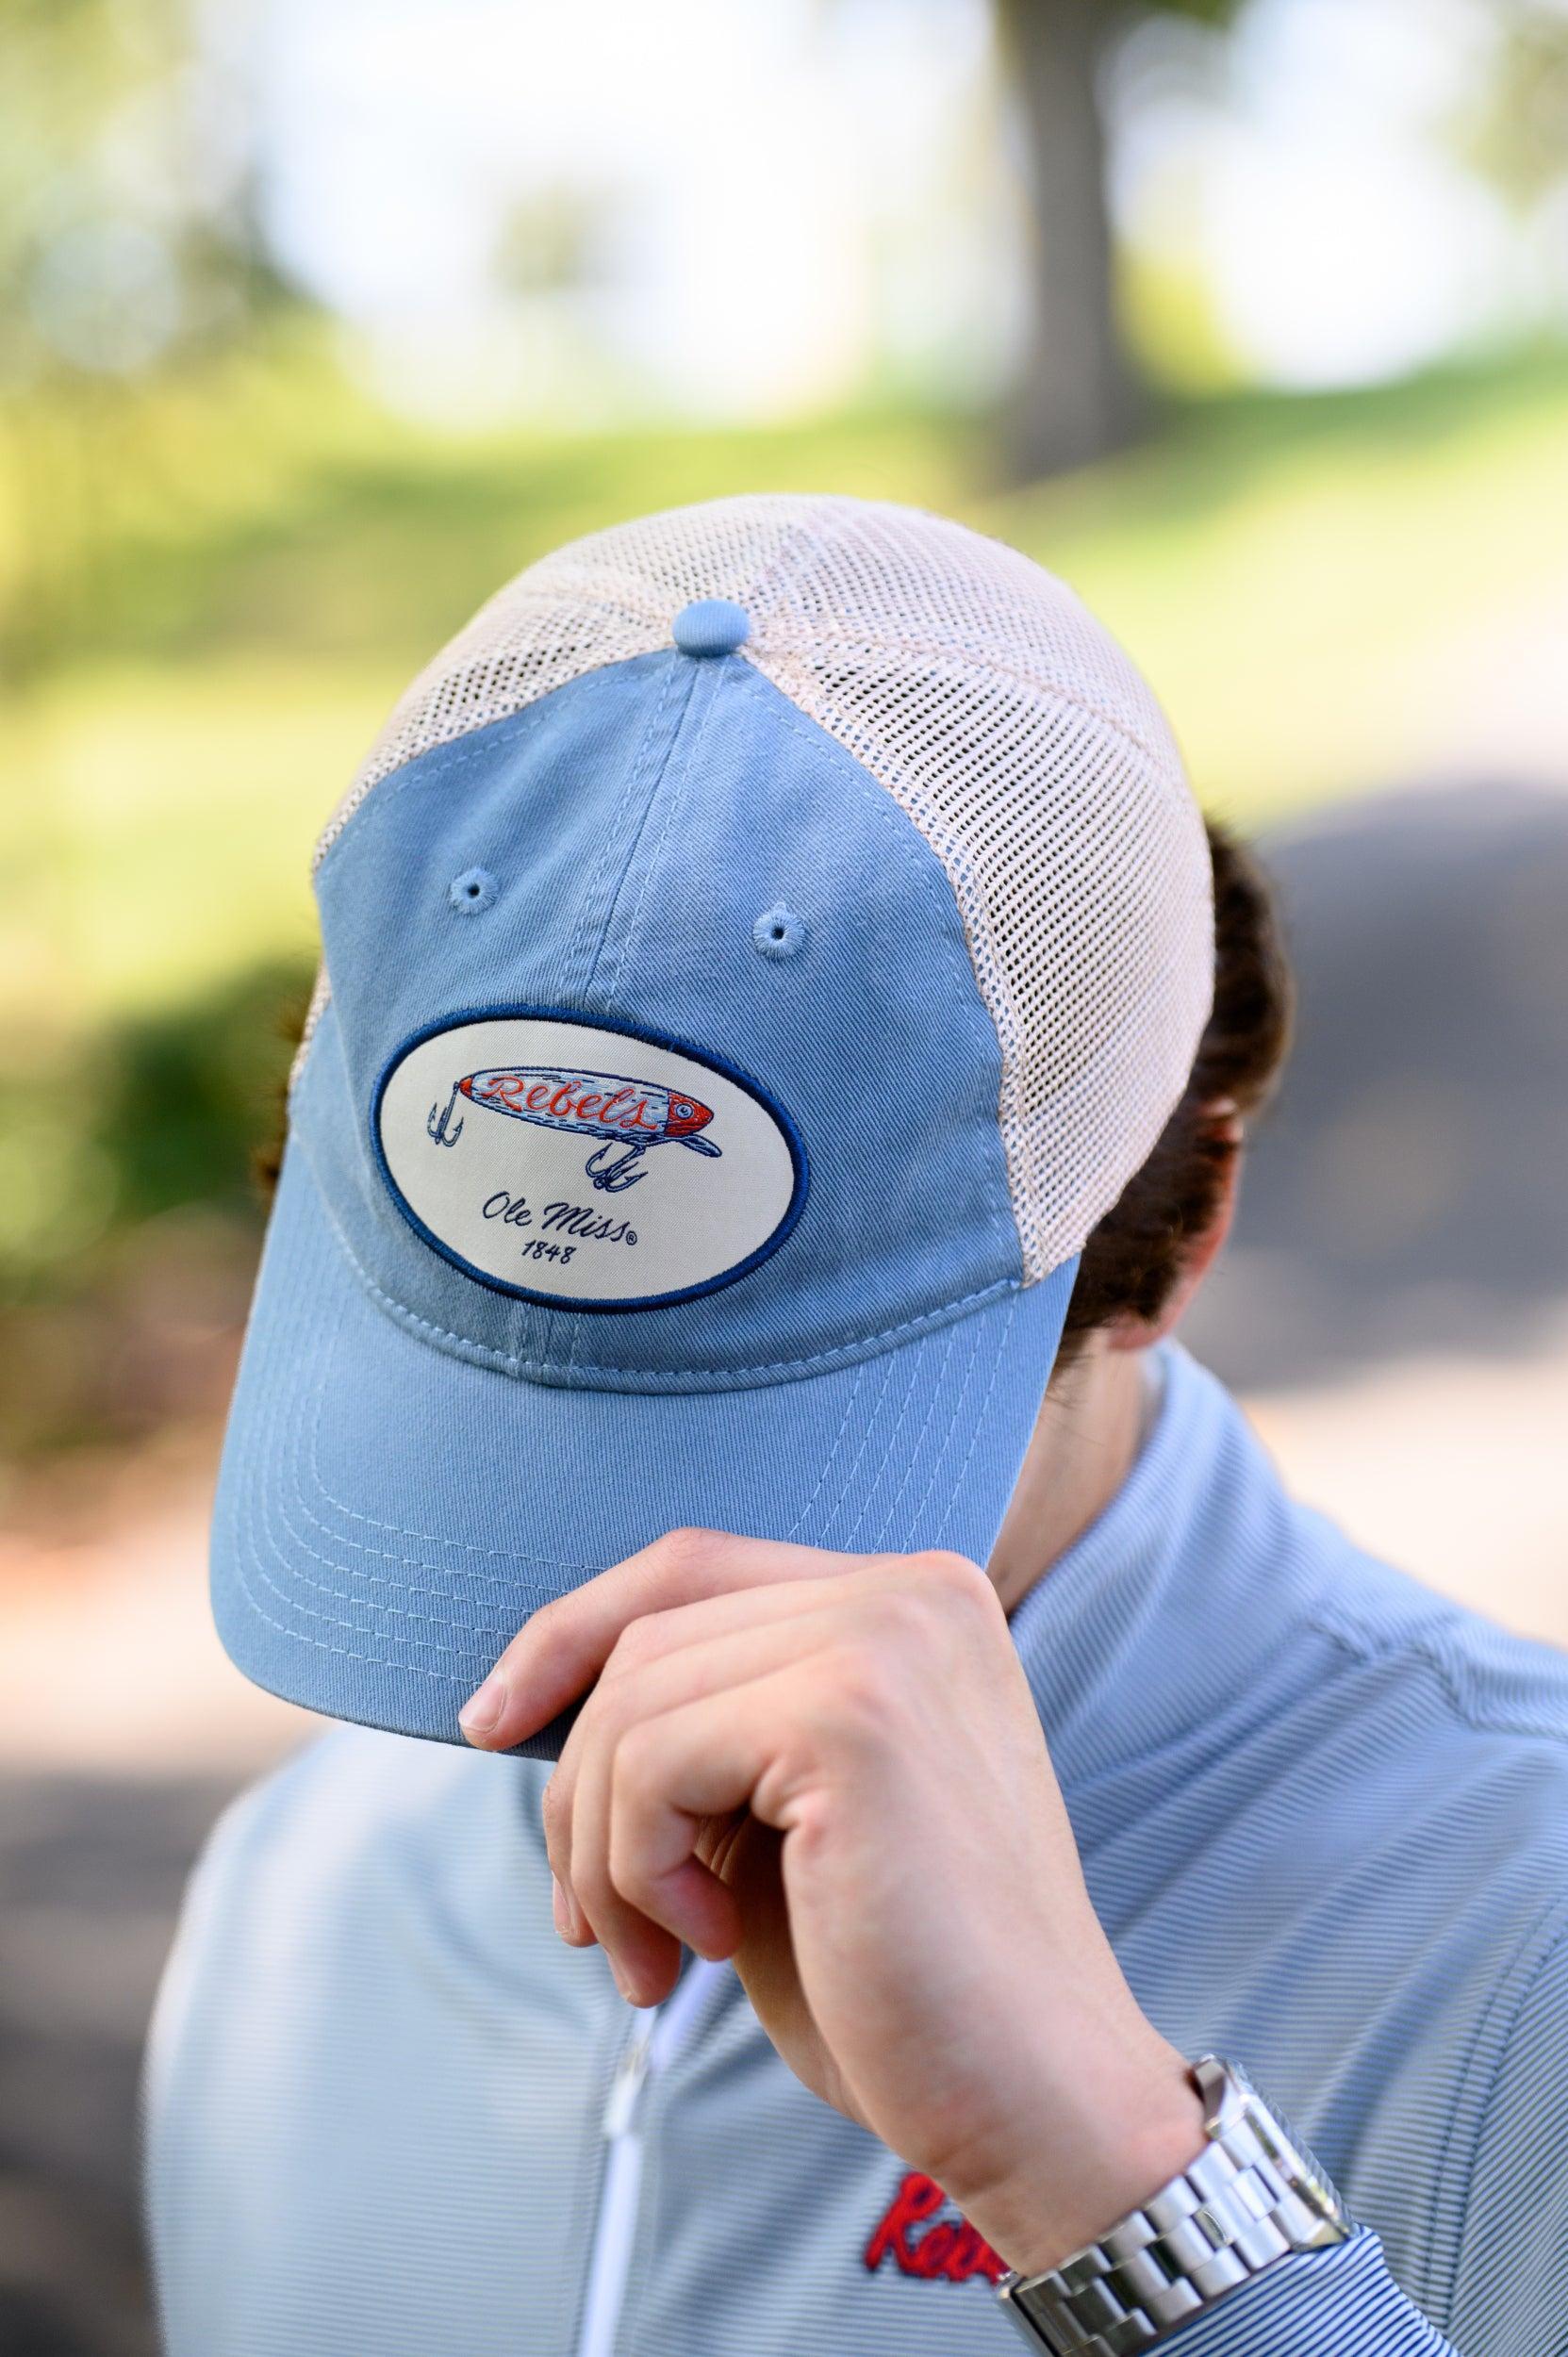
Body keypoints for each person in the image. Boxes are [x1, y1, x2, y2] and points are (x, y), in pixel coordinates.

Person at [145, 497, 1568, 2356]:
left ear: (1174, 1229)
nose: (588, 1627)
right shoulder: (293, 1896)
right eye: (482, 1400)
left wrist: (1126, 2189)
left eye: (770, 1430)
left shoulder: (1522, 1939)